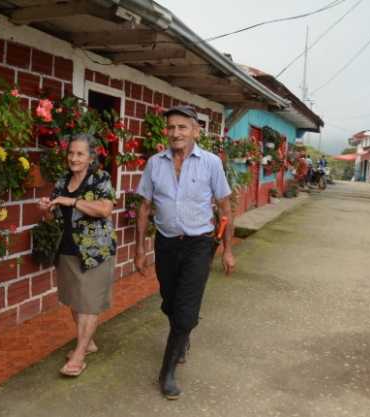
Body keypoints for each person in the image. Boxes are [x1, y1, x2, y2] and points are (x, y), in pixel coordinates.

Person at [134, 105, 235, 400]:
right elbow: (143, 207)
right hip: (166, 244)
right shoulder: (155, 163)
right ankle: (183, 335)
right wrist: (140, 249)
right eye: (171, 128)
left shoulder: (211, 163)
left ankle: (167, 372)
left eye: (182, 127)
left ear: (195, 130)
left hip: (199, 244)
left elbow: (226, 208)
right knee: (170, 303)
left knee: (186, 311)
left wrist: (228, 250)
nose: (176, 133)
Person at [38, 133, 117, 377]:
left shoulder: (100, 178)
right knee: (75, 300)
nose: (74, 158)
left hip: (95, 252)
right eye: (71, 153)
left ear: (91, 157)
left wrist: (70, 201)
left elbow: (105, 209)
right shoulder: (63, 181)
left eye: (80, 154)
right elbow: (55, 216)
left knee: (89, 305)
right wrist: (47, 209)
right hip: (68, 250)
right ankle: (89, 342)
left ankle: (80, 354)